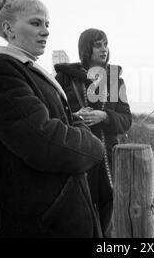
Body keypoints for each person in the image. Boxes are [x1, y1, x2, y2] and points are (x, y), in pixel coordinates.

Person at [0, 0, 112, 238]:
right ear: (8, 29)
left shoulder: (28, 70)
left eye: (47, 23)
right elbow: (47, 142)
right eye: (35, 23)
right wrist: (95, 148)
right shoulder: (0, 71)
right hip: (39, 225)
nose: (46, 30)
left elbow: (68, 122)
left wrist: (75, 124)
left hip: (59, 219)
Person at [54, 28, 132, 191]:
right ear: (85, 48)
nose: (104, 49)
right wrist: (74, 116)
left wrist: (105, 116)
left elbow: (126, 119)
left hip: (109, 161)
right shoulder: (64, 78)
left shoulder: (116, 81)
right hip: (76, 157)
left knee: (108, 210)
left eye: (106, 44)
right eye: (98, 45)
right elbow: (51, 115)